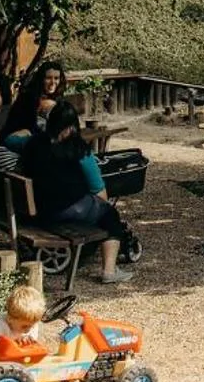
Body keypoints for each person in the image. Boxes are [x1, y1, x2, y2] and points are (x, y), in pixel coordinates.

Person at [23, 104, 134, 284]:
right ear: (71, 127)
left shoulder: (34, 143)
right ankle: (109, 271)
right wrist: (103, 206)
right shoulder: (79, 149)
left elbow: (11, 141)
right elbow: (98, 188)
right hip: (66, 210)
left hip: (39, 209)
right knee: (110, 215)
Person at [0, 283, 51, 353]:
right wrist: (17, 343)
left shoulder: (30, 324)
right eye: (24, 326)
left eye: (32, 326)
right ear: (10, 319)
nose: (28, 330)